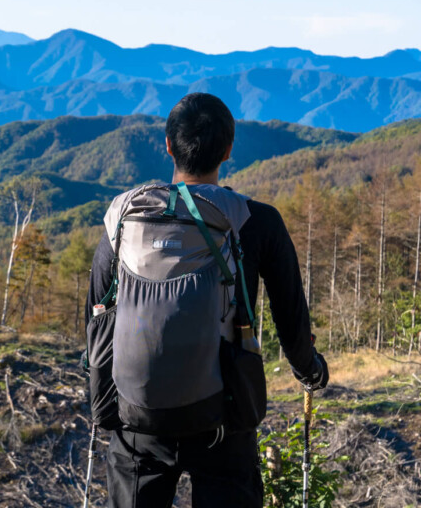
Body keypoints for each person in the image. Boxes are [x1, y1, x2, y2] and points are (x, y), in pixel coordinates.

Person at [85, 92, 329, 507]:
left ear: (167, 145)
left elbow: (96, 315)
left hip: (137, 415)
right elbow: (292, 321)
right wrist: (311, 373)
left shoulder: (124, 217)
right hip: (222, 412)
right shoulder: (255, 220)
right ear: (228, 150)